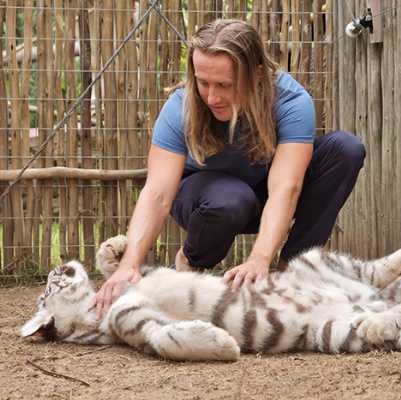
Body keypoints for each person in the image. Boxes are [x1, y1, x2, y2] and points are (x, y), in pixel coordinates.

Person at [92, 19, 365, 319]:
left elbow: (286, 187)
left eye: (224, 85)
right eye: (203, 82)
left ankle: (292, 275)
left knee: (345, 149)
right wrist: (129, 264)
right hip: (206, 199)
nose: (212, 97)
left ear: (257, 74)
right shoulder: (180, 106)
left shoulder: (291, 101)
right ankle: (190, 262)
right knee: (231, 198)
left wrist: (260, 259)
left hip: (267, 194)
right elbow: (157, 193)